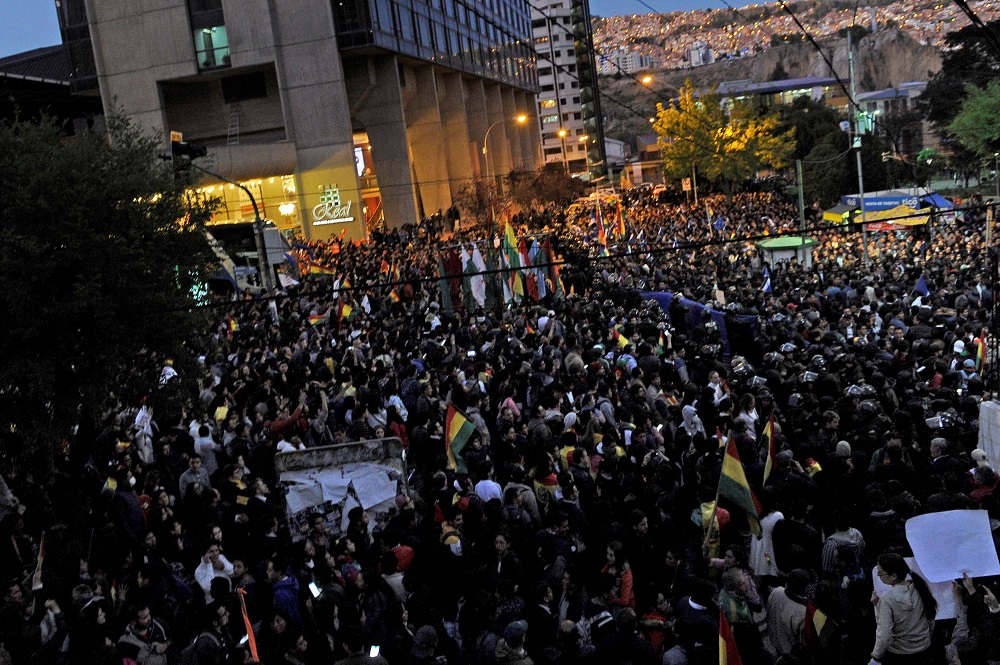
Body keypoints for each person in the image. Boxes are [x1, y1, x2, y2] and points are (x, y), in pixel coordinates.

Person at [871, 553, 937, 665]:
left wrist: (876, 657)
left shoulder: (887, 600)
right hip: (924, 649)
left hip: (900, 654)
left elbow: (884, 634)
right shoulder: (919, 588)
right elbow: (930, 617)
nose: (878, 574)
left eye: (880, 573)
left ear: (893, 576)